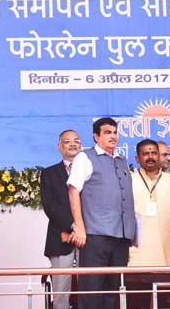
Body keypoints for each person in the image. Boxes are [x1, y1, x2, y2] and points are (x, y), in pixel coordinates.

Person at [67, 118, 135, 309]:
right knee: (91, 290)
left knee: (112, 291)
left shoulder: (121, 160)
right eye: (107, 132)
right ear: (96, 136)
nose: (112, 136)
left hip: (121, 238)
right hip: (95, 236)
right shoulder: (85, 157)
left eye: (114, 132)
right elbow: (73, 191)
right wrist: (79, 226)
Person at [40, 130, 81, 309]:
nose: (72, 144)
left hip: (89, 238)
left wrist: (84, 228)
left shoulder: (91, 171)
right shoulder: (49, 173)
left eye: (76, 141)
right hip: (61, 238)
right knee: (61, 295)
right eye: (67, 141)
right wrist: (74, 226)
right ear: (59, 146)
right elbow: (50, 206)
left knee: (91, 291)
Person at [129, 139, 170, 266]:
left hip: (168, 247)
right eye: (146, 154)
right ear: (137, 159)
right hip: (137, 249)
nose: (150, 157)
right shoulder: (129, 180)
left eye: (154, 153)